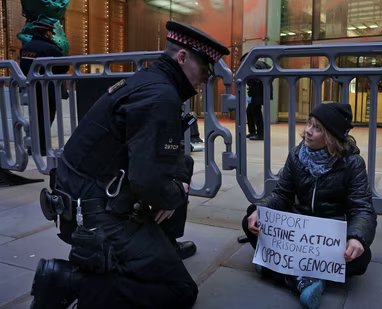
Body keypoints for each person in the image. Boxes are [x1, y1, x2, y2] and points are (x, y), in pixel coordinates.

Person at [30, 21, 229, 308]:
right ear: (182, 57)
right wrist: (173, 195)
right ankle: (68, 281)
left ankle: (160, 247)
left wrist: (174, 186)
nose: (206, 79)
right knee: (180, 289)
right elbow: (148, 182)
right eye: (205, 70)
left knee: (181, 165)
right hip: (96, 214)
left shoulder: (148, 81)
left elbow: (161, 162)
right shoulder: (160, 96)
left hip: (83, 196)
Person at [242, 103, 377, 309]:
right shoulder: (297, 155)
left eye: (317, 128)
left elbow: (362, 208)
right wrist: (260, 210)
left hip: (330, 234)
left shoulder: (352, 163)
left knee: (361, 258)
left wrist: (356, 237)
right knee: (250, 223)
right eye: (308, 124)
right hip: (298, 231)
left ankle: (280, 270)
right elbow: (281, 194)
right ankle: (305, 278)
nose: (307, 131)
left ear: (331, 136)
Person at [19, 20, 69, 156]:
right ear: (46, 33)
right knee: (46, 118)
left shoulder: (26, 47)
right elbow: (64, 66)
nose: (52, 35)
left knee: (35, 118)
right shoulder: (50, 48)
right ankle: (42, 148)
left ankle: (33, 147)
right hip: (47, 90)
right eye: (50, 32)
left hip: (30, 89)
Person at [241, 52, 270, 141]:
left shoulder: (255, 65)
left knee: (256, 112)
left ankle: (260, 134)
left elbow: (255, 79)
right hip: (258, 93)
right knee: (250, 111)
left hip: (258, 93)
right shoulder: (259, 63)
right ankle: (253, 131)